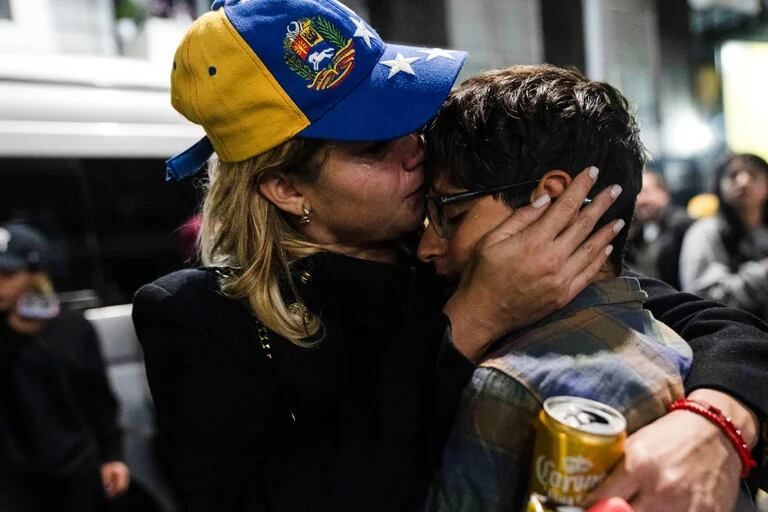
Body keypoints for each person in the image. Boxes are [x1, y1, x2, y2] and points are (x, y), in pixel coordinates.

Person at [132, 1, 767, 511]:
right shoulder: (197, 314)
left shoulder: (443, 242)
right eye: (374, 146)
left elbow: (702, 323)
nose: (417, 149)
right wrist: (470, 318)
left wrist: (715, 421)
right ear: (286, 187)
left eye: (409, 118)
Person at [418, 64, 725, 511]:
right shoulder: (679, 346)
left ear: (554, 200)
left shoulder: (508, 384)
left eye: (450, 214)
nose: (427, 245)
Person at [0, 222, 130, 512]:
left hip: (77, 473)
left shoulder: (72, 328)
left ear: (37, 276)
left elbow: (98, 398)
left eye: (8, 274)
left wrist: (113, 455)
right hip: (14, 483)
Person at [680, 153, 768, 321]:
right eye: (733, 175)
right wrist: (762, 272)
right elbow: (701, 302)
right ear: (719, 184)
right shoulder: (705, 232)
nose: (743, 182)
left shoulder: (763, 231)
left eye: (754, 174)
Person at [625, 170, 693, 289]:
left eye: (645, 192)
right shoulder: (637, 231)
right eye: (636, 194)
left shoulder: (682, 225)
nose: (640, 200)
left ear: (664, 194)